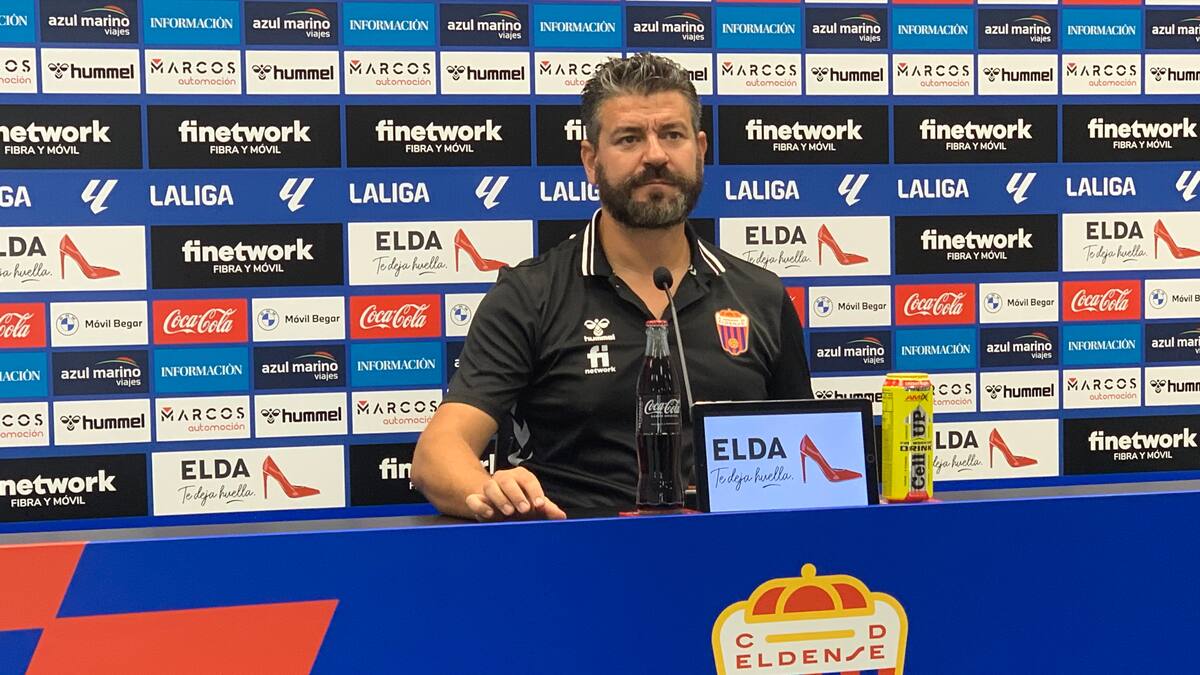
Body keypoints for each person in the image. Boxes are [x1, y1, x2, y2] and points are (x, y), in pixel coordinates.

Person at [411, 53, 813, 521]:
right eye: (629, 138)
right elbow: (438, 453)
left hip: (736, 574)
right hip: (575, 565)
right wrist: (490, 491)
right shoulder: (529, 295)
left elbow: (807, 454)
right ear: (591, 160)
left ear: (700, 149)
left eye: (672, 135)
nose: (656, 155)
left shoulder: (759, 295)